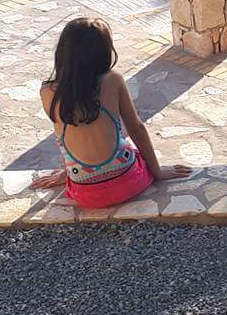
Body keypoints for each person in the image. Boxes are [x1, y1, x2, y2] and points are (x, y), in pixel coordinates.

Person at [35, 17, 190, 205]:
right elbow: (136, 128)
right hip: (128, 183)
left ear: (63, 52)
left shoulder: (47, 92)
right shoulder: (112, 80)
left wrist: (68, 172)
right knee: (128, 147)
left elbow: (64, 137)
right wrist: (157, 171)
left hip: (85, 194)